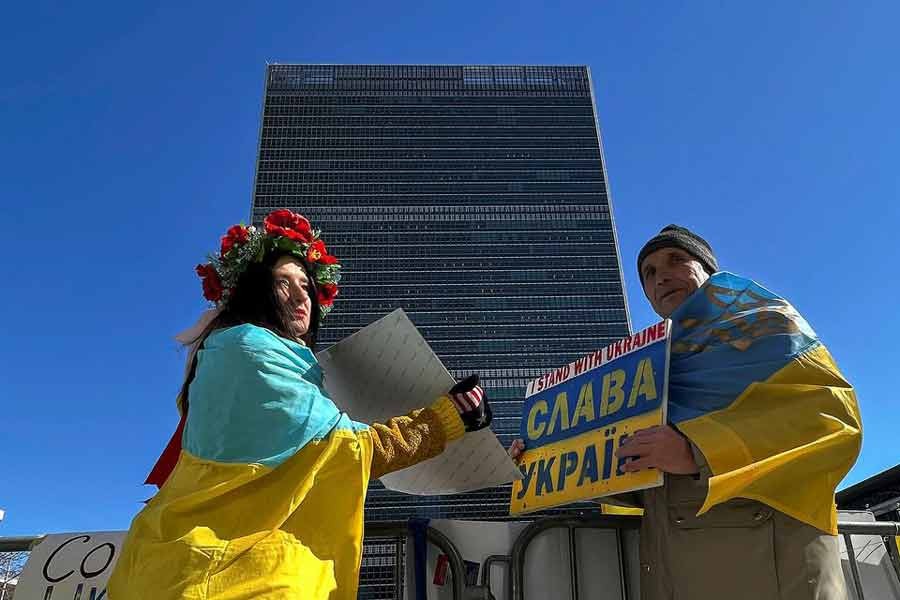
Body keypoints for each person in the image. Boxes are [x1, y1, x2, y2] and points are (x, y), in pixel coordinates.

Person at [108, 209, 492, 600]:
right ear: (255, 291)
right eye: (283, 283)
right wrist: (447, 417)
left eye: (306, 285)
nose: (300, 296)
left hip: (178, 567)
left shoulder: (227, 353)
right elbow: (348, 448)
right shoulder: (249, 348)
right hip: (231, 576)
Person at [511, 224, 862, 600]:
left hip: (772, 571)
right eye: (649, 273)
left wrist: (697, 451)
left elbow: (833, 421)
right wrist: (544, 461)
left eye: (675, 260)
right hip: (673, 570)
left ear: (708, 270)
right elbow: (646, 479)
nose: (660, 277)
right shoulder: (649, 369)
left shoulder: (769, 324)